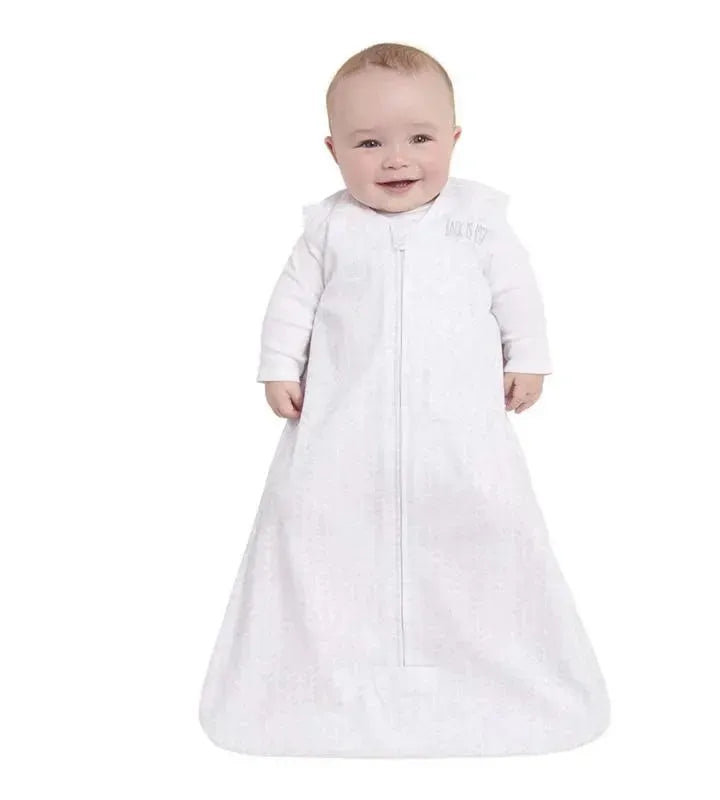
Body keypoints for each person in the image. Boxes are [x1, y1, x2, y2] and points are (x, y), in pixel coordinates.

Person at [198, 42, 611, 758]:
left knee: (481, 537)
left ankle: (478, 658)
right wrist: (278, 367)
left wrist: (529, 359)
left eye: (420, 138)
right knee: (320, 537)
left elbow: (516, 293)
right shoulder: (328, 230)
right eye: (369, 143)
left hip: (460, 438)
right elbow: (291, 305)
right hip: (342, 435)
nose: (397, 160)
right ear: (334, 151)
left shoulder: (478, 222)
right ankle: (330, 664)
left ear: (454, 138)